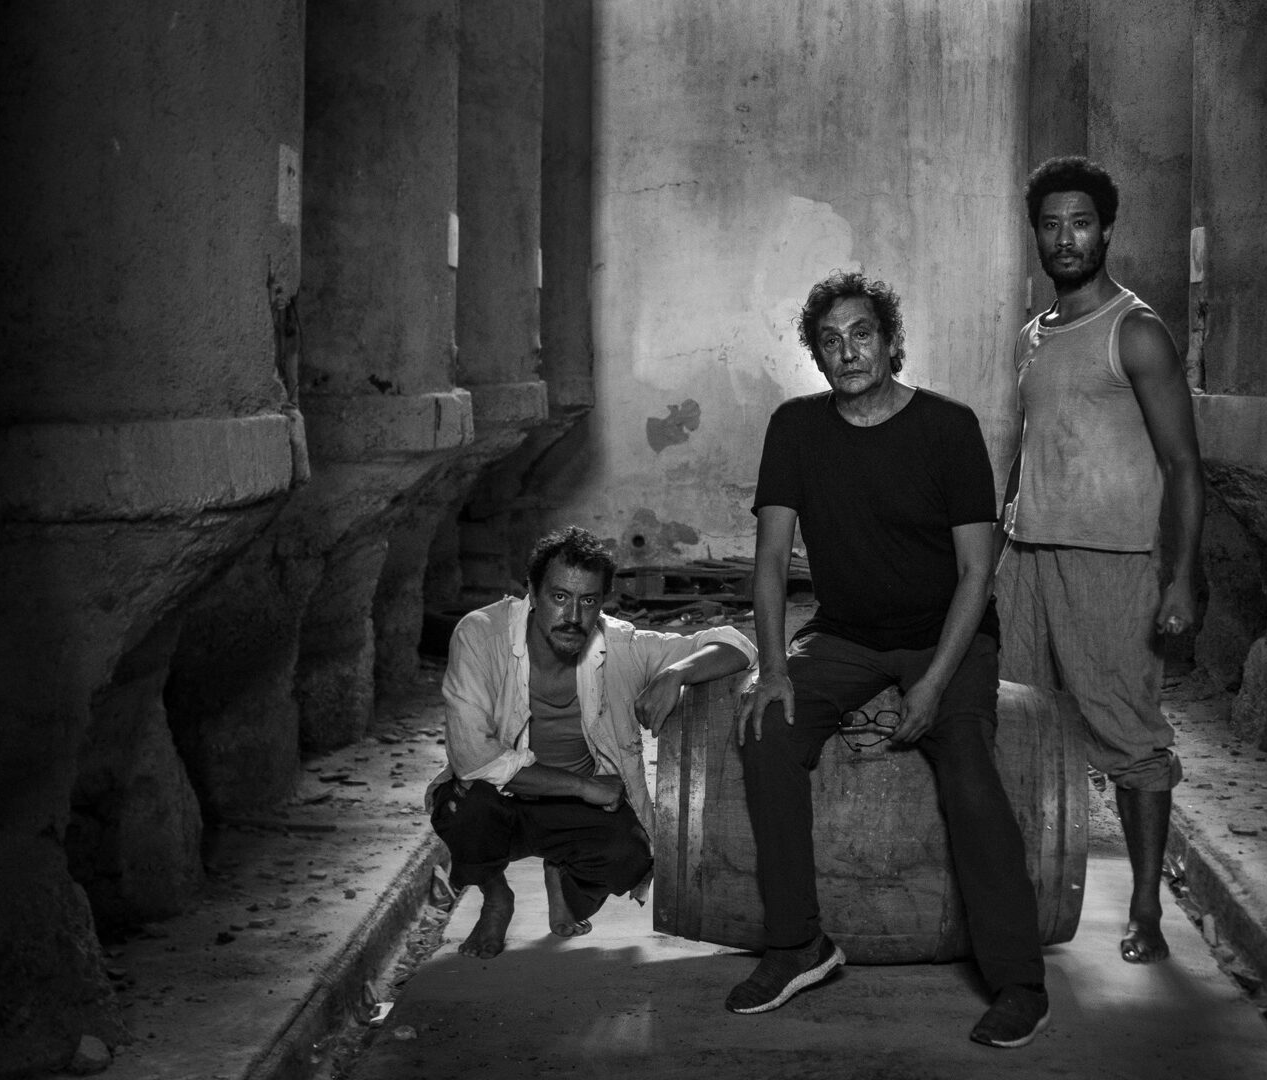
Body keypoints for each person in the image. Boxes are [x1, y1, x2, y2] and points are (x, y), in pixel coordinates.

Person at [728, 270, 1050, 1049]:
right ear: (817, 355)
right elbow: (769, 562)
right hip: (844, 634)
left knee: (967, 764)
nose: (848, 352)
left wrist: (934, 685)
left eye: (862, 333)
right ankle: (798, 944)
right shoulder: (795, 429)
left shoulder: (947, 428)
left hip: (946, 634)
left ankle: (1019, 983)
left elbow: (976, 571)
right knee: (768, 732)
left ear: (891, 341)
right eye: (830, 340)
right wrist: (773, 668)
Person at [997, 156, 1206, 965]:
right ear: (1037, 235)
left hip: (1114, 562)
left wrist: (1181, 577)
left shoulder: (1136, 331)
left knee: (1129, 737)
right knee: (1019, 724)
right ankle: (1026, 893)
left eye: (1080, 223)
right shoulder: (1032, 335)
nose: (1066, 238)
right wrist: (1000, 542)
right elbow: (1028, 449)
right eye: (1052, 225)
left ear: (1107, 230)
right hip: (1028, 560)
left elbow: (1184, 464)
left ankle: (1146, 911)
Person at [427, 526, 755, 959]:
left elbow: (736, 645)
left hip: (571, 811)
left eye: (588, 601)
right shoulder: (481, 635)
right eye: (559, 597)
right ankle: (496, 898)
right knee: (461, 807)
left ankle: (562, 878)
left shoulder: (620, 645)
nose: (573, 616)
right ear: (532, 592)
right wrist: (584, 786)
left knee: (630, 856)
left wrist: (675, 673)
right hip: (501, 800)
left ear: (602, 603)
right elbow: (473, 758)